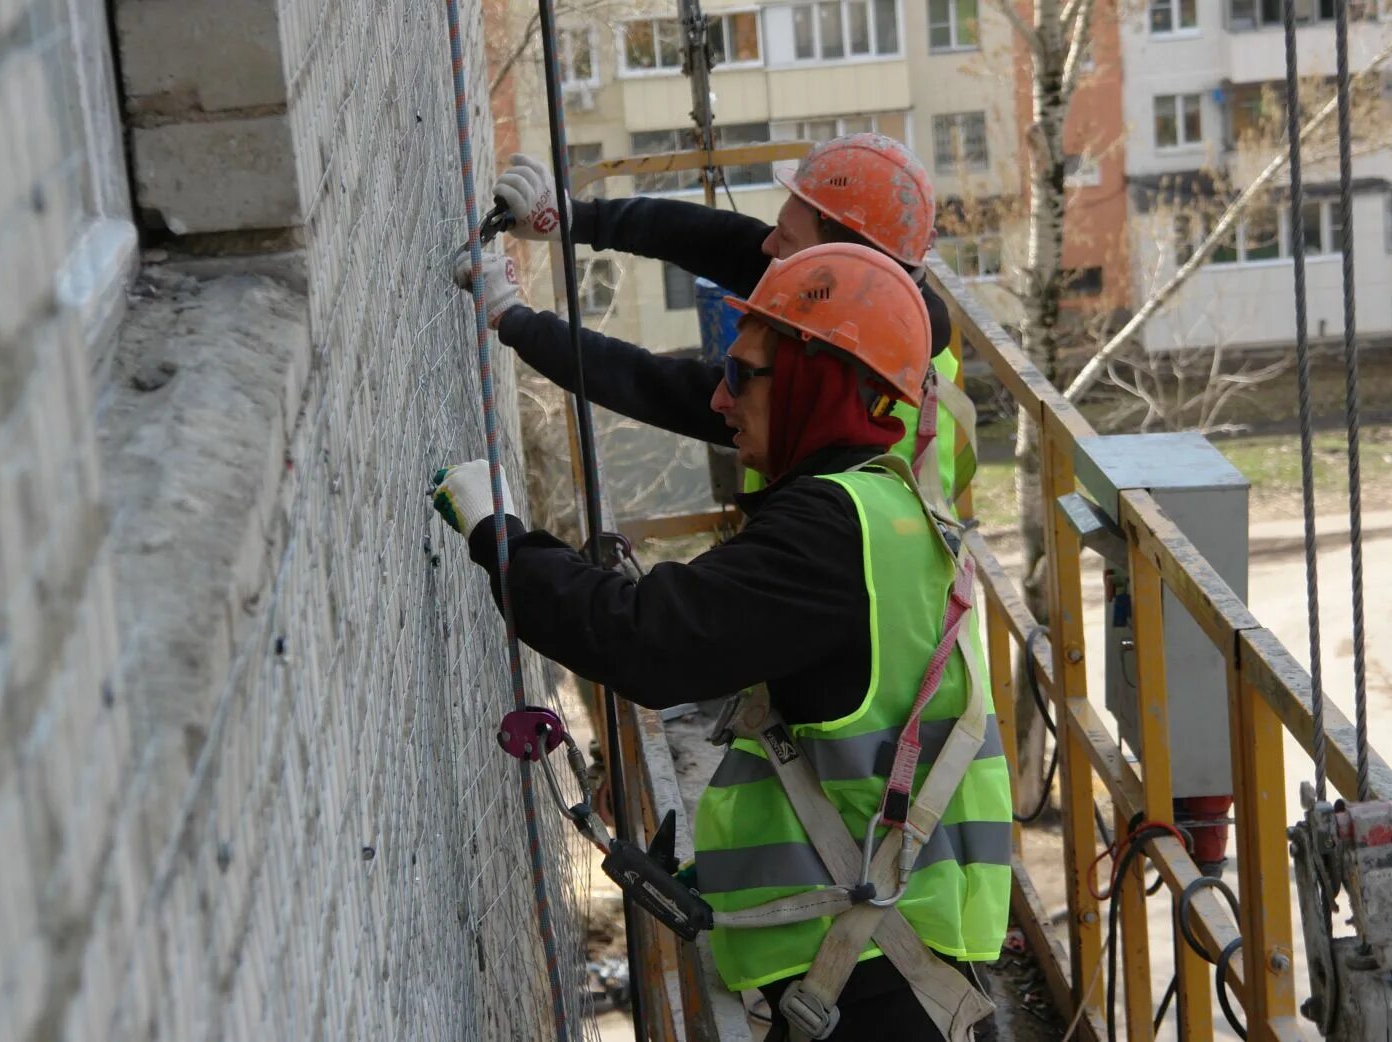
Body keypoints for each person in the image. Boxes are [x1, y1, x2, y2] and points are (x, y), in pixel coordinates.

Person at [433, 243, 1010, 1040]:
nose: (718, 397)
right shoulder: (893, 512)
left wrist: (503, 540)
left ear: (816, 380)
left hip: (875, 982)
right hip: (895, 970)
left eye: (742, 375)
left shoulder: (828, 534)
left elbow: (647, 642)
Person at [480, 133, 972, 501]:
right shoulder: (870, 310)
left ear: (846, 258)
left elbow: (661, 387)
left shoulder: (843, 376)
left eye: (788, 240)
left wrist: (515, 319)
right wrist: (576, 219)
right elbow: (720, 242)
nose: (767, 247)